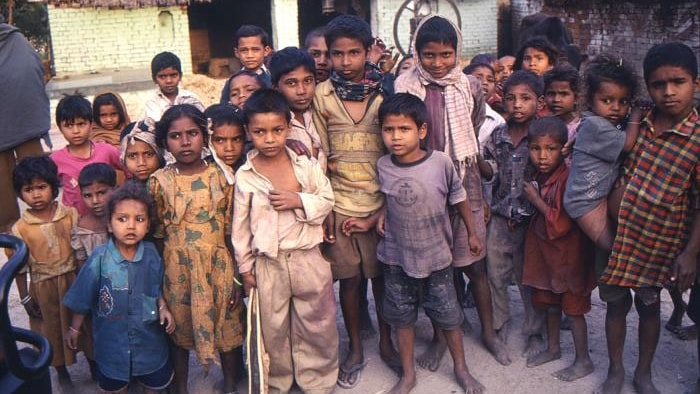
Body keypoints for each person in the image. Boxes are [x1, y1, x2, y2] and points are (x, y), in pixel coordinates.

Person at [394, 15, 509, 368]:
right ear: (417, 52)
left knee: (473, 265)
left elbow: (472, 130)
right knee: (438, 270)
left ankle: (488, 332)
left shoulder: (470, 86)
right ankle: (443, 336)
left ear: (456, 53)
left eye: (446, 55)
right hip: (424, 186)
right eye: (429, 55)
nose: (438, 63)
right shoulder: (403, 85)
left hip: (464, 183)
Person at [597, 42, 700, 394]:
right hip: (617, 236)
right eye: (658, 84)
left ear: (695, 84)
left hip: (659, 243)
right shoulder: (635, 121)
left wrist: (689, 252)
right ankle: (615, 371)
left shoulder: (698, 138)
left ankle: (643, 373)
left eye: (678, 82)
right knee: (614, 304)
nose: (668, 92)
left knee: (649, 307)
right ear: (647, 86)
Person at [376, 93, 485, 394]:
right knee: (402, 317)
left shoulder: (440, 162)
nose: (395, 137)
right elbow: (387, 199)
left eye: (404, 129)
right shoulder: (383, 165)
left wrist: (473, 233)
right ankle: (408, 374)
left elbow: (459, 198)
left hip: (437, 256)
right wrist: (377, 216)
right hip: (397, 257)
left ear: (421, 131)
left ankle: (461, 369)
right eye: (388, 130)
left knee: (449, 315)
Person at [312, 14, 399, 389]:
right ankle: (355, 350)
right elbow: (321, 157)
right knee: (348, 282)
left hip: (379, 202)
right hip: (341, 204)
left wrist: (385, 207)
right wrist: (328, 208)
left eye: (354, 53)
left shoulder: (386, 93)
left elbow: (396, 153)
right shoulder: (322, 96)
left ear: (368, 52)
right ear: (328, 56)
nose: (345, 62)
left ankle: (385, 341)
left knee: (380, 279)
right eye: (337, 54)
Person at [233, 89, 338, 393]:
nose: (269, 139)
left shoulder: (306, 166)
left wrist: (298, 200)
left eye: (277, 130)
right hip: (268, 264)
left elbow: (327, 198)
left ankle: (317, 380)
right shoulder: (246, 176)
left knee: (317, 323)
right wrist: (245, 268)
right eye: (260, 132)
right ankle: (278, 381)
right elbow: (240, 228)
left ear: (288, 127)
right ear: (248, 132)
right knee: (273, 327)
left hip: (308, 257)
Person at [148, 104, 244, 394]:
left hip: (219, 267)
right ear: (165, 142)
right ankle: (180, 388)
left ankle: (229, 385)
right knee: (179, 330)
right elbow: (157, 236)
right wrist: (160, 282)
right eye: (176, 136)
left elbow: (231, 231)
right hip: (178, 271)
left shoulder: (222, 176)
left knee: (227, 327)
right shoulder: (160, 181)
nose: (185, 141)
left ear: (205, 136)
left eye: (192, 133)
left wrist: (237, 277)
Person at [64, 182, 175, 393]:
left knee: (153, 381)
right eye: (122, 219)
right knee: (115, 383)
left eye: (139, 219)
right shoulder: (100, 258)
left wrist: (163, 307)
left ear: (148, 225)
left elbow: (155, 285)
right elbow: (83, 295)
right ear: (109, 225)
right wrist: (74, 328)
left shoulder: (151, 253)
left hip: (148, 337)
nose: (131, 226)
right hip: (111, 340)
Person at [6, 156, 95, 387]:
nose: (36, 195)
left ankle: (95, 365)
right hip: (42, 287)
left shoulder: (69, 215)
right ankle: (62, 372)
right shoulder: (20, 228)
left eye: (41, 187)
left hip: (73, 280)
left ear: (53, 187)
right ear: (20, 193)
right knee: (50, 329)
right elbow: (19, 268)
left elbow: (80, 253)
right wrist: (25, 296)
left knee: (85, 325)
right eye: (28, 189)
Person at [520, 117, 595, 381]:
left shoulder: (567, 178)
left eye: (550, 149)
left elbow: (561, 223)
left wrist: (536, 200)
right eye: (535, 149)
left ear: (563, 148)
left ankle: (583, 359)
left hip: (569, 259)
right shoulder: (539, 174)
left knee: (573, 311)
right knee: (550, 304)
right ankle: (553, 348)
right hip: (546, 258)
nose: (542, 156)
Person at [482, 70, 546, 356]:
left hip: (531, 220)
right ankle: (499, 323)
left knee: (528, 278)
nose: (517, 104)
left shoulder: (544, 135)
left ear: (538, 101)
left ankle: (534, 331)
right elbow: (490, 170)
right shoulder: (498, 135)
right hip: (499, 217)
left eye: (525, 98)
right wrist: (477, 162)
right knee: (496, 274)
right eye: (511, 98)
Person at [562, 54, 640, 253]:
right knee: (613, 250)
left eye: (623, 101)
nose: (616, 107)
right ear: (590, 100)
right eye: (607, 100)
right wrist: (637, 115)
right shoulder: (596, 125)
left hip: (598, 195)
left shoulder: (602, 122)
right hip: (584, 202)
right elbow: (628, 144)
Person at [0, 20, 51, 233]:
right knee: (3, 199)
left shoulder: (13, 39)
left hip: (26, 122)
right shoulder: (16, 39)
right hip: (26, 120)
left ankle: (48, 225)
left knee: (39, 180)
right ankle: (13, 250)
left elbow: (31, 71)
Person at [50, 94, 124, 216]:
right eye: (69, 126)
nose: (76, 131)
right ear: (60, 127)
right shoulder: (55, 160)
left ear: (91, 123)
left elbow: (129, 169)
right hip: (75, 222)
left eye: (81, 124)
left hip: (107, 217)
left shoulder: (106, 150)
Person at [269, 47, 326, 170]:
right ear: (275, 87)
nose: (301, 91)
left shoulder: (320, 111)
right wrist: (282, 144)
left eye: (308, 81)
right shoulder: (271, 124)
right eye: (291, 83)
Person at [72, 163, 116, 266]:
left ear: (114, 189)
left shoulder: (126, 221)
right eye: (88, 195)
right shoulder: (82, 230)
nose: (95, 201)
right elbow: (82, 268)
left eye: (101, 193)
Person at [144, 51, 204, 124]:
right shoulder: (152, 102)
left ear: (180, 76)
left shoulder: (191, 98)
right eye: (162, 76)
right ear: (154, 79)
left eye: (173, 75)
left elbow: (202, 121)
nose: (169, 81)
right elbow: (157, 127)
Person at [203, 103, 247, 183]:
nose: (229, 148)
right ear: (207, 140)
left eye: (236, 139)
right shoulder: (202, 170)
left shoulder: (252, 167)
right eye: (219, 140)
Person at [543, 64, 581, 143]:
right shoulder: (540, 126)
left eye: (563, 94)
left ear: (576, 98)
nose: (556, 100)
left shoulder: (579, 129)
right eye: (551, 94)